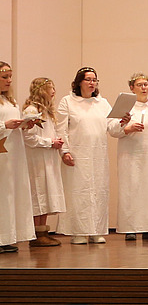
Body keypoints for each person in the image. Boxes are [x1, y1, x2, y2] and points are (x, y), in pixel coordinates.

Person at [107, 73, 148, 240]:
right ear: (132, 88)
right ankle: (130, 228)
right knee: (131, 190)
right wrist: (128, 128)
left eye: (146, 84)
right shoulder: (125, 105)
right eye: (139, 85)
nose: (144, 87)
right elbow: (112, 129)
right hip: (131, 156)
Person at [56, 67, 111, 244]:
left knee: (98, 191)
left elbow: (113, 126)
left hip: (98, 154)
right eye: (88, 79)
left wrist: (124, 123)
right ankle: (78, 231)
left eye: (94, 80)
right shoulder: (68, 101)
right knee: (79, 191)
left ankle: (96, 230)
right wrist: (64, 151)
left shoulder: (102, 103)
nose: (92, 83)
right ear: (79, 82)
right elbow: (61, 128)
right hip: (78, 154)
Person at [22, 77, 65, 247]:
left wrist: (56, 141)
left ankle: (43, 231)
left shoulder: (47, 111)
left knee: (46, 192)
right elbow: (29, 138)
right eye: (50, 88)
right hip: (37, 158)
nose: (53, 92)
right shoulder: (32, 111)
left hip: (47, 157)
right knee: (38, 191)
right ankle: (36, 232)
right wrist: (49, 143)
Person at [0, 62, 35, 253]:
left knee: (12, 193)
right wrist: (5, 125)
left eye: (10, 77)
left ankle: (8, 235)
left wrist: (24, 125)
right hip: (1, 153)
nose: (9, 81)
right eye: (5, 77)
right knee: (2, 194)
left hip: (14, 152)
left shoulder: (10, 101)